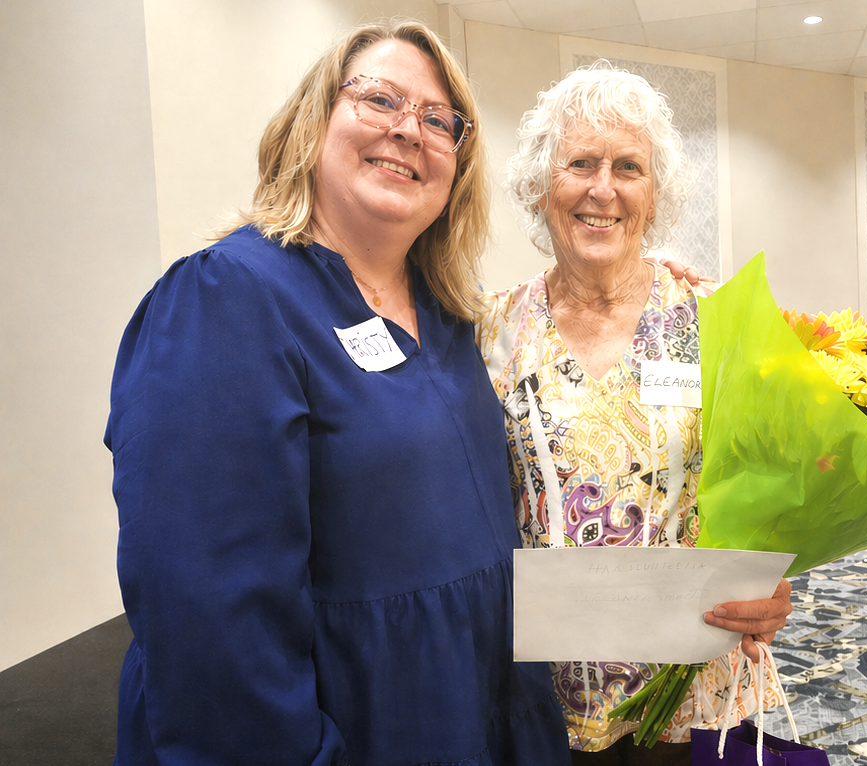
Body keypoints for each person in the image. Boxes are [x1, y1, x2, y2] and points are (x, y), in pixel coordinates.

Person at [105, 22, 571, 766]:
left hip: (474, 710)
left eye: (437, 119)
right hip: (352, 724)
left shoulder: (450, 318)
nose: (408, 130)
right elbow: (209, 619)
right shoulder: (227, 299)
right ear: (312, 122)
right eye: (380, 99)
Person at [476, 63, 794, 763]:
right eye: (580, 163)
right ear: (541, 184)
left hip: (688, 692)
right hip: (539, 695)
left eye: (629, 167)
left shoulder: (707, 319)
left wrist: (773, 585)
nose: (603, 189)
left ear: (654, 196)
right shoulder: (490, 329)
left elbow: (769, 486)